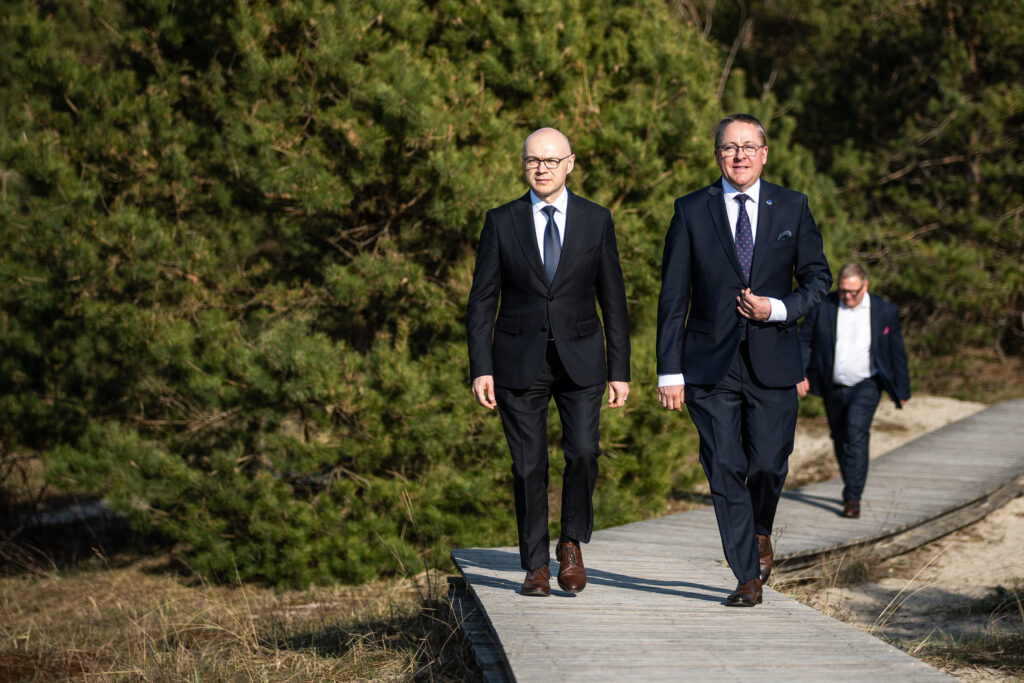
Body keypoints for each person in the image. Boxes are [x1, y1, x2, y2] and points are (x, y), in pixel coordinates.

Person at [656, 114, 831, 607]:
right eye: (730, 147)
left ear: (764, 154)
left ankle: (760, 529)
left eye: (749, 146)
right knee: (724, 465)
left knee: (770, 464)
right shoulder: (690, 210)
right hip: (708, 365)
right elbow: (673, 298)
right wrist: (669, 371)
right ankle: (746, 575)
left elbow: (818, 279)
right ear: (717, 155)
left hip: (774, 359)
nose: (739, 155)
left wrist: (777, 309)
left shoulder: (793, 206)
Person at [467, 127, 631, 597]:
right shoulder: (501, 221)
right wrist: (481, 366)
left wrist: (619, 370)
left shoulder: (596, 220)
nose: (541, 168)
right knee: (527, 466)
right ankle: (536, 564)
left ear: (570, 164)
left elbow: (613, 300)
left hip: (582, 359)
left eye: (551, 160)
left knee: (582, 452)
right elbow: (482, 300)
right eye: (533, 160)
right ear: (523, 164)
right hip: (517, 360)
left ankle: (571, 543)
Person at [797, 262, 911, 519]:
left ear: (865, 286)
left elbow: (896, 350)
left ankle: (853, 497)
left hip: (867, 384)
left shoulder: (884, 310)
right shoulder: (823, 306)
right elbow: (803, 340)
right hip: (832, 384)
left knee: (856, 433)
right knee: (840, 437)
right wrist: (800, 372)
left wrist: (902, 389)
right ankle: (851, 484)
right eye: (843, 291)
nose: (847, 296)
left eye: (853, 292)